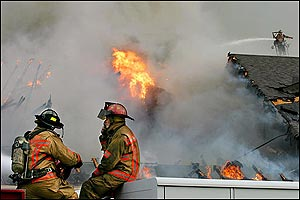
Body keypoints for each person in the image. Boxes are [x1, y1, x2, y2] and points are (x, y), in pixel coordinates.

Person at [17, 108, 83, 199]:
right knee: (71, 195)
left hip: (26, 186)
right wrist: (78, 160)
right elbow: (69, 158)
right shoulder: (49, 137)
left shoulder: (29, 137)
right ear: (52, 126)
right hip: (45, 183)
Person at [79, 102, 140, 199]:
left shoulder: (120, 136)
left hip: (122, 174)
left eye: (107, 118)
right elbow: (106, 148)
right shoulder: (120, 131)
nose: (105, 121)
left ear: (113, 119)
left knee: (88, 187)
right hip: (124, 173)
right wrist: (104, 134)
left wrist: (95, 174)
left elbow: (108, 162)